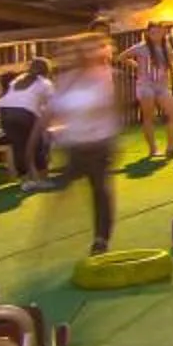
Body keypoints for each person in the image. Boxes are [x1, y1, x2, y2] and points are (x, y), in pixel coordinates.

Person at [47, 37, 123, 256]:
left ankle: (101, 239)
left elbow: (109, 108)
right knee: (65, 189)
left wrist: (113, 138)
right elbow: (54, 111)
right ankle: (60, 241)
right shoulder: (65, 80)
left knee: (100, 189)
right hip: (74, 143)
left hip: (99, 143)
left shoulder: (102, 77)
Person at [123, 23, 173, 162]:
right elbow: (122, 57)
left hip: (161, 86)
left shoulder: (166, 46)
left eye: (158, 31)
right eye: (153, 32)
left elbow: (171, 61)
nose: (156, 34)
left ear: (163, 33)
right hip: (146, 85)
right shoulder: (141, 47)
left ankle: (171, 146)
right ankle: (153, 149)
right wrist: (135, 65)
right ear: (148, 34)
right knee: (149, 117)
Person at [0, 58, 56, 185]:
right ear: (47, 71)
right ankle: (41, 178)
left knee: (19, 145)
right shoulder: (45, 83)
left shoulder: (18, 79)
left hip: (4, 112)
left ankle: (26, 179)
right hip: (24, 113)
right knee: (39, 143)